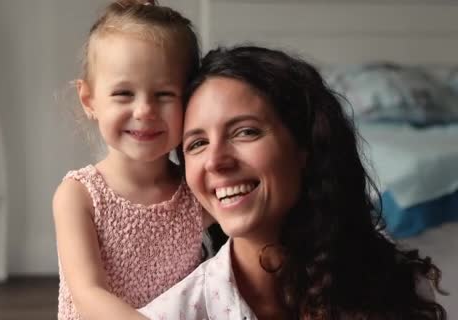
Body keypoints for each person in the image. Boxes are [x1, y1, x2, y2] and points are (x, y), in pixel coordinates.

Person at [139, 45, 447, 319]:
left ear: (305, 146)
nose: (216, 161)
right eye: (196, 143)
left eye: (245, 131)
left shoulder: (397, 285)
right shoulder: (174, 313)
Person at [52, 1, 212, 319]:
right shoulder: (79, 195)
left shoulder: (194, 188)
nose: (144, 111)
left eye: (164, 94)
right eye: (124, 94)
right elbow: (88, 293)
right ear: (90, 100)